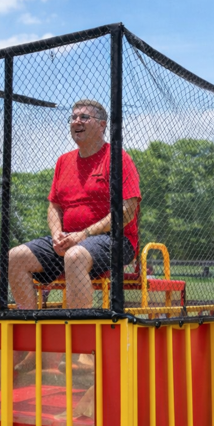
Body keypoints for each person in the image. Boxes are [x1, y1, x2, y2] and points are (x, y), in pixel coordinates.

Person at [7, 99, 142, 311]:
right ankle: (30, 329)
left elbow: (127, 212)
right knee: (15, 256)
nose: (76, 121)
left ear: (102, 125)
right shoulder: (63, 161)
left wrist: (84, 234)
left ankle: (82, 336)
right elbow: (54, 207)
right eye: (73, 117)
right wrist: (57, 234)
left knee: (75, 255)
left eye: (84, 117)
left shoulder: (118, 158)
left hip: (116, 240)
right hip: (70, 238)